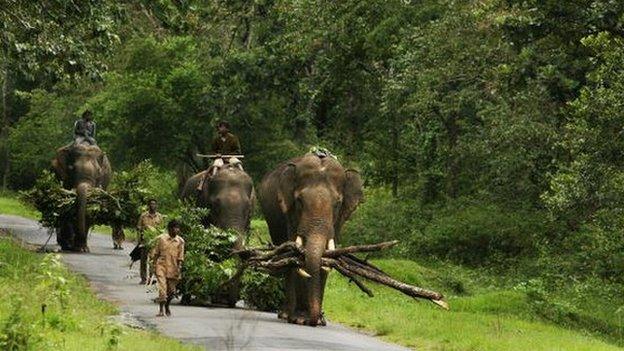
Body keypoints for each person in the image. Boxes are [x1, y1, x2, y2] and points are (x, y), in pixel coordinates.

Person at [151, 219, 185, 317]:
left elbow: (180, 257)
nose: (176, 230)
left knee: (171, 291)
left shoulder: (180, 241)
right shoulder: (161, 239)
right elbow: (156, 253)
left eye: (178, 228)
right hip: (161, 266)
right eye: (175, 228)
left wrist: (179, 268)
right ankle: (161, 310)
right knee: (162, 288)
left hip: (173, 268)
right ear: (169, 229)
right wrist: (153, 265)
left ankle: (167, 306)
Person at [196, 121, 243, 191]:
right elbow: (212, 151)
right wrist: (216, 155)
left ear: (227, 129)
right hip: (219, 158)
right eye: (220, 127)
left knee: (238, 163)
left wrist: (230, 155)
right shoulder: (216, 139)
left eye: (222, 127)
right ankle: (214, 179)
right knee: (215, 165)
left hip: (231, 158)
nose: (220, 129)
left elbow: (238, 151)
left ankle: (243, 176)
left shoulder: (233, 138)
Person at [136, 199, 164, 284]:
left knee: (153, 260)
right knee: (143, 260)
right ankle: (143, 278)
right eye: (151, 204)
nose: (152, 206)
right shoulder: (143, 216)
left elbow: (162, 229)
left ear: (156, 206)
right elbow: (138, 227)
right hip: (145, 241)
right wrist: (139, 239)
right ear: (148, 206)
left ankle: (151, 277)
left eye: (154, 204)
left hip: (155, 242)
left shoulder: (159, 217)